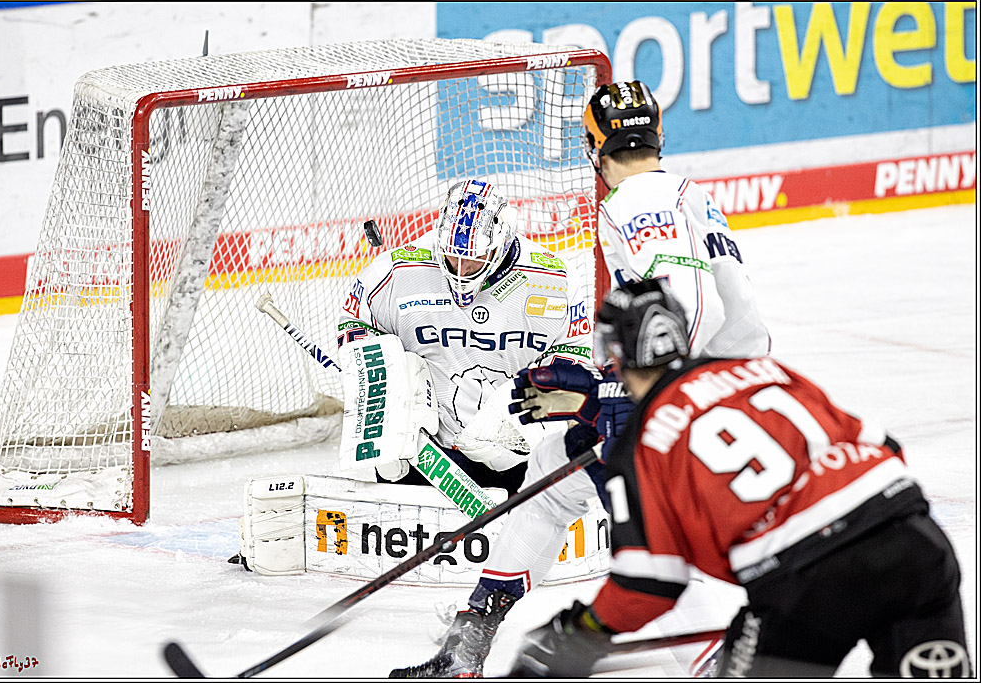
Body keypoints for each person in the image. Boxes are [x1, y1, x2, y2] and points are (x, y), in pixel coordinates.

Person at [389, 80, 770, 678]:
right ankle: (469, 641)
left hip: (680, 399)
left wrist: (634, 391)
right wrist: (604, 380)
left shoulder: (634, 199)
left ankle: (722, 661)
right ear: (658, 136)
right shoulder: (689, 195)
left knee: (644, 548)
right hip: (720, 386)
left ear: (596, 147)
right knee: (550, 477)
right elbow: (738, 316)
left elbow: (688, 301)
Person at [506, 279, 973, 678]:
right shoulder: (761, 370)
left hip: (808, 584)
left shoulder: (641, 441)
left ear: (617, 352)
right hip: (916, 547)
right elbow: (884, 446)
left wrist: (580, 631)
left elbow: (648, 585)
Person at [335, 177, 591, 496]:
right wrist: (384, 407)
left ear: (502, 241)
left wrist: (527, 416)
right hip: (426, 453)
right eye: (451, 255)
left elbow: (575, 353)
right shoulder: (396, 269)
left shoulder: (555, 279)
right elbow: (354, 326)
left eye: (473, 258)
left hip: (519, 458)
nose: (459, 267)